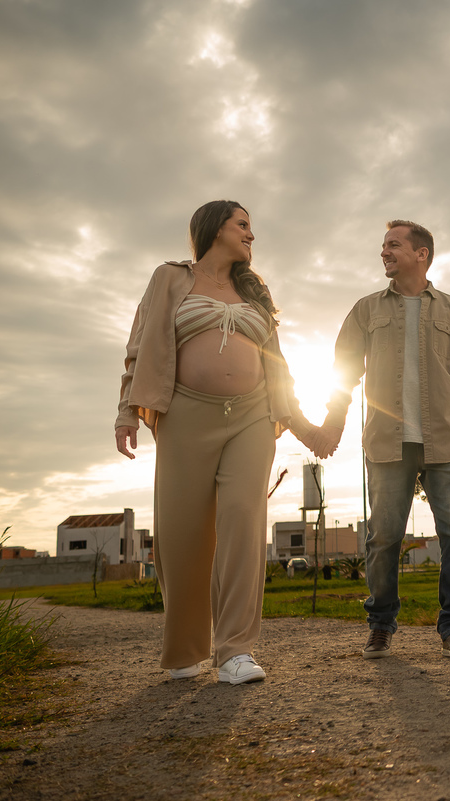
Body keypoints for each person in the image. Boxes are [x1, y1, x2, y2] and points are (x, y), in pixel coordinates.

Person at [115, 200, 317, 684]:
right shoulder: (170, 278)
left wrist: (300, 419)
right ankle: (186, 648)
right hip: (185, 415)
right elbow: (139, 347)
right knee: (183, 535)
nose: (251, 235)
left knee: (243, 521)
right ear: (214, 228)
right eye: (242, 225)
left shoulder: (254, 291)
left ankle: (235, 651)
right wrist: (126, 410)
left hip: (252, 415)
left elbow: (278, 363)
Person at [308, 220, 450, 659]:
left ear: (421, 254)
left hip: (446, 441)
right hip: (387, 443)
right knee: (383, 539)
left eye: (393, 244)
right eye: (383, 245)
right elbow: (343, 371)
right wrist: (334, 423)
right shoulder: (366, 309)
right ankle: (381, 624)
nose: (384, 252)